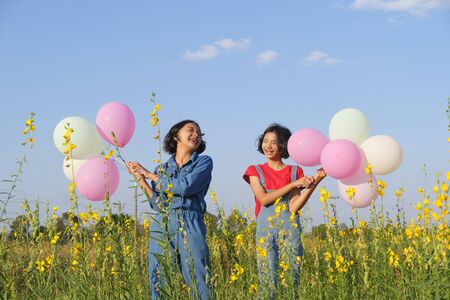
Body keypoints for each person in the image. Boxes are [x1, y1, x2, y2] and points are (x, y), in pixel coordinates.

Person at [128, 120, 212, 300]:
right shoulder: (162, 169)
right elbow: (158, 204)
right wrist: (141, 179)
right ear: (176, 136)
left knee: (198, 276)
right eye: (190, 130)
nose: (196, 134)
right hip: (162, 222)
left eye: (199, 132)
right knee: (159, 276)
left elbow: (185, 187)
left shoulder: (203, 162)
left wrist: (150, 175)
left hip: (190, 222)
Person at [243, 123, 326, 297]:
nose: (268, 146)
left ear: (284, 145)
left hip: (290, 230)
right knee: (267, 281)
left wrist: (316, 182)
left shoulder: (295, 171)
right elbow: (264, 199)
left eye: (274, 142)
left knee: (291, 281)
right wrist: (293, 184)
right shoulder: (254, 171)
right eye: (265, 141)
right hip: (265, 231)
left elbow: (294, 207)